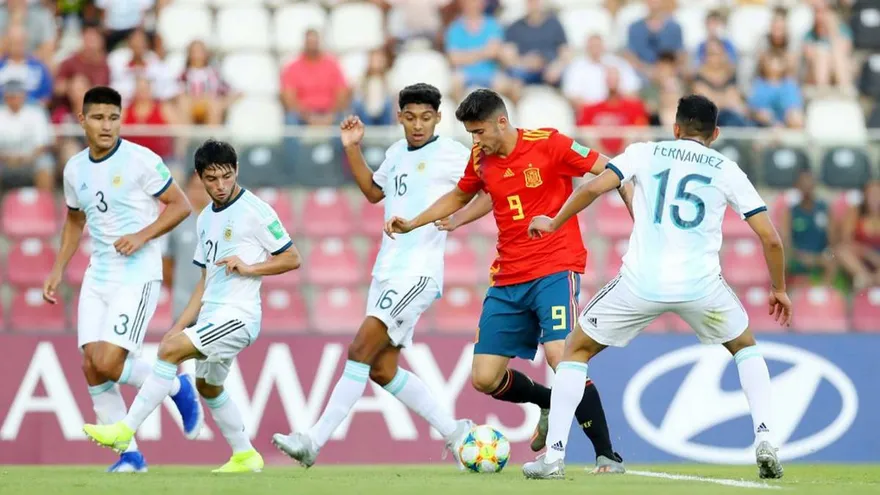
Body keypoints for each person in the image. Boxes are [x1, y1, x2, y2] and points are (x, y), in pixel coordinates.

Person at [523, 94, 790, 480]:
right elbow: (771, 239)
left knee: (575, 350)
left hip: (640, 284)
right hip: (701, 288)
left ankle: (554, 457)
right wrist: (779, 288)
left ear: (676, 128)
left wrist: (554, 220)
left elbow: (594, 188)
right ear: (714, 134)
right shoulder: (727, 168)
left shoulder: (646, 152)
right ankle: (765, 438)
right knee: (744, 347)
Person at [384, 89, 630, 473]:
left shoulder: (549, 143)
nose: (475, 141)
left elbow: (611, 170)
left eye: (479, 132)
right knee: (485, 378)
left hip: (554, 266)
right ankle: (550, 402)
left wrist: (635, 210)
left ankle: (605, 453)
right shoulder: (481, 158)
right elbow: (463, 195)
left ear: (502, 121)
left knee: (560, 358)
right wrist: (415, 221)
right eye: (470, 134)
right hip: (507, 277)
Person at [272, 83, 474, 468]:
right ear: (399, 117)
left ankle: (313, 440)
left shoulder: (451, 153)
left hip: (418, 272)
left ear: (438, 118)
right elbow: (372, 192)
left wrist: (458, 218)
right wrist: (351, 148)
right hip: (388, 269)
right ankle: (456, 433)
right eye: (411, 117)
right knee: (382, 369)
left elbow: (485, 188)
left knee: (358, 350)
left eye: (426, 118)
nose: (418, 125)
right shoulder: (397, 153)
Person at [82, 139, 303, 473]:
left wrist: (251, 267)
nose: (221, 185)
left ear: (236, 171)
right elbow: (205, 282)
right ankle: (245, 455)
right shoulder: (203, 220)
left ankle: (124, 430)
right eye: (212, 179)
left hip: (239, 317)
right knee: (208, 386)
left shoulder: (255, 211)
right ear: (200, 177)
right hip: (213, 314)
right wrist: (179, 326)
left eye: (226, 176)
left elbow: (292, 257)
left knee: (168, 353)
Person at [42, 86, 199, 473]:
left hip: (138, 273)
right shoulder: (74, 168)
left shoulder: (141, 160)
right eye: (97, 117)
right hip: (100, 273)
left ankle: (176, 386)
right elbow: (75, 220)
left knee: (110, 363)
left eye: (113, 117)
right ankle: (130, 457)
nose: (106, 125)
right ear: (82, 121)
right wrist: (58, 267)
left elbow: (182, 205)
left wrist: (143, 235)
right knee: (91, 366)